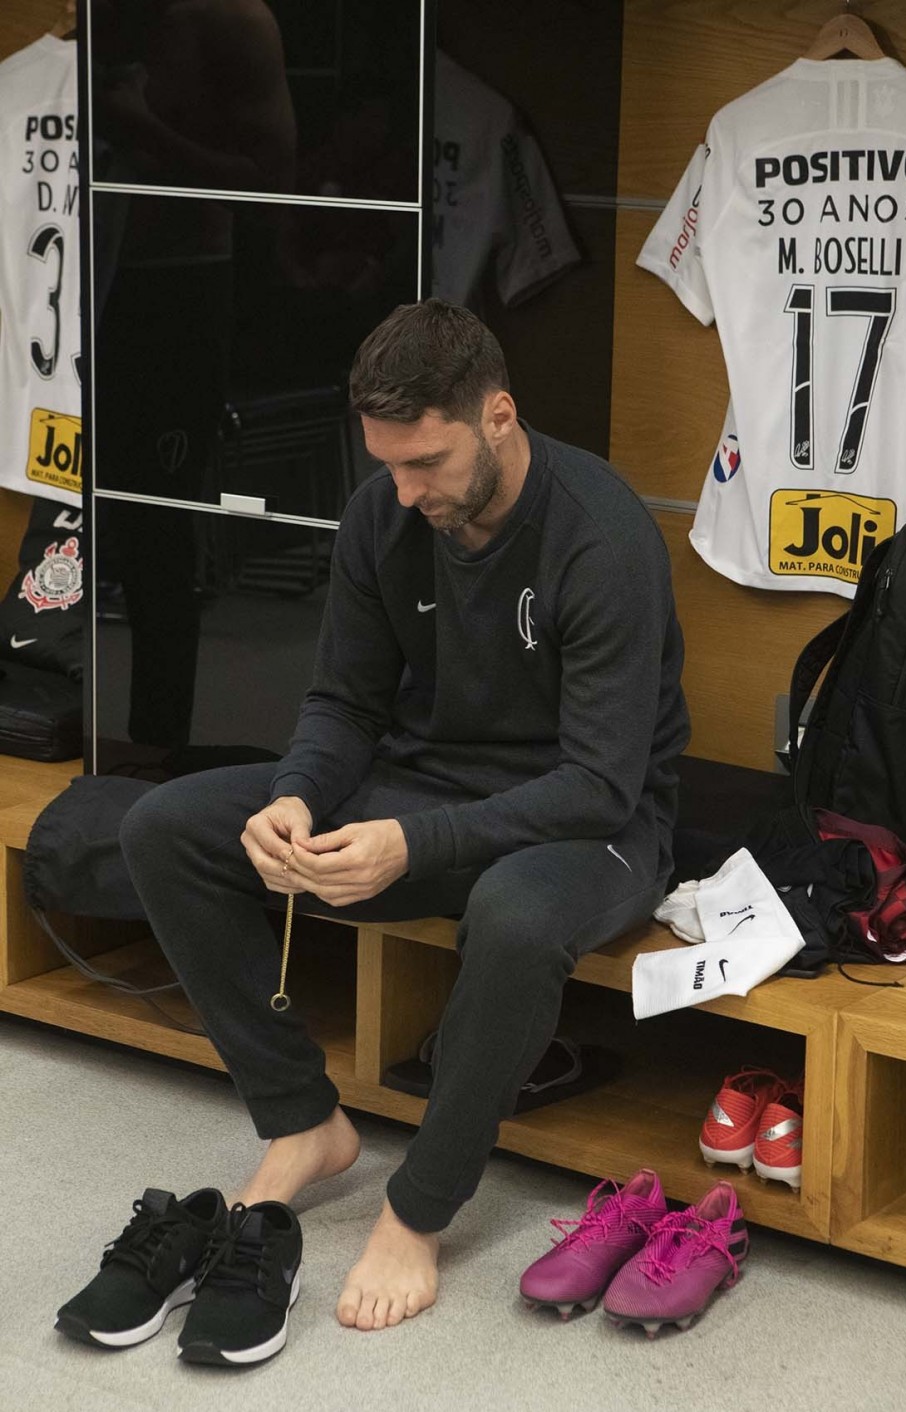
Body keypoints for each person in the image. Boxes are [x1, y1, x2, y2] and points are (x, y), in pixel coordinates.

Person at [118, 298, 690, 1333]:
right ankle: (302, 1120)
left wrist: (409, 843)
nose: (403, 487)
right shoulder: (386, 514)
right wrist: (294, 793)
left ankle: (418, 1208)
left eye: (424, 460)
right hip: (421, 784)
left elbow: (600, 781)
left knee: (515, 917)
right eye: (386, 461)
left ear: (498, 415)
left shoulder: (598, 536)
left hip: (592, 825)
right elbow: (343, 702)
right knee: (166, 826)